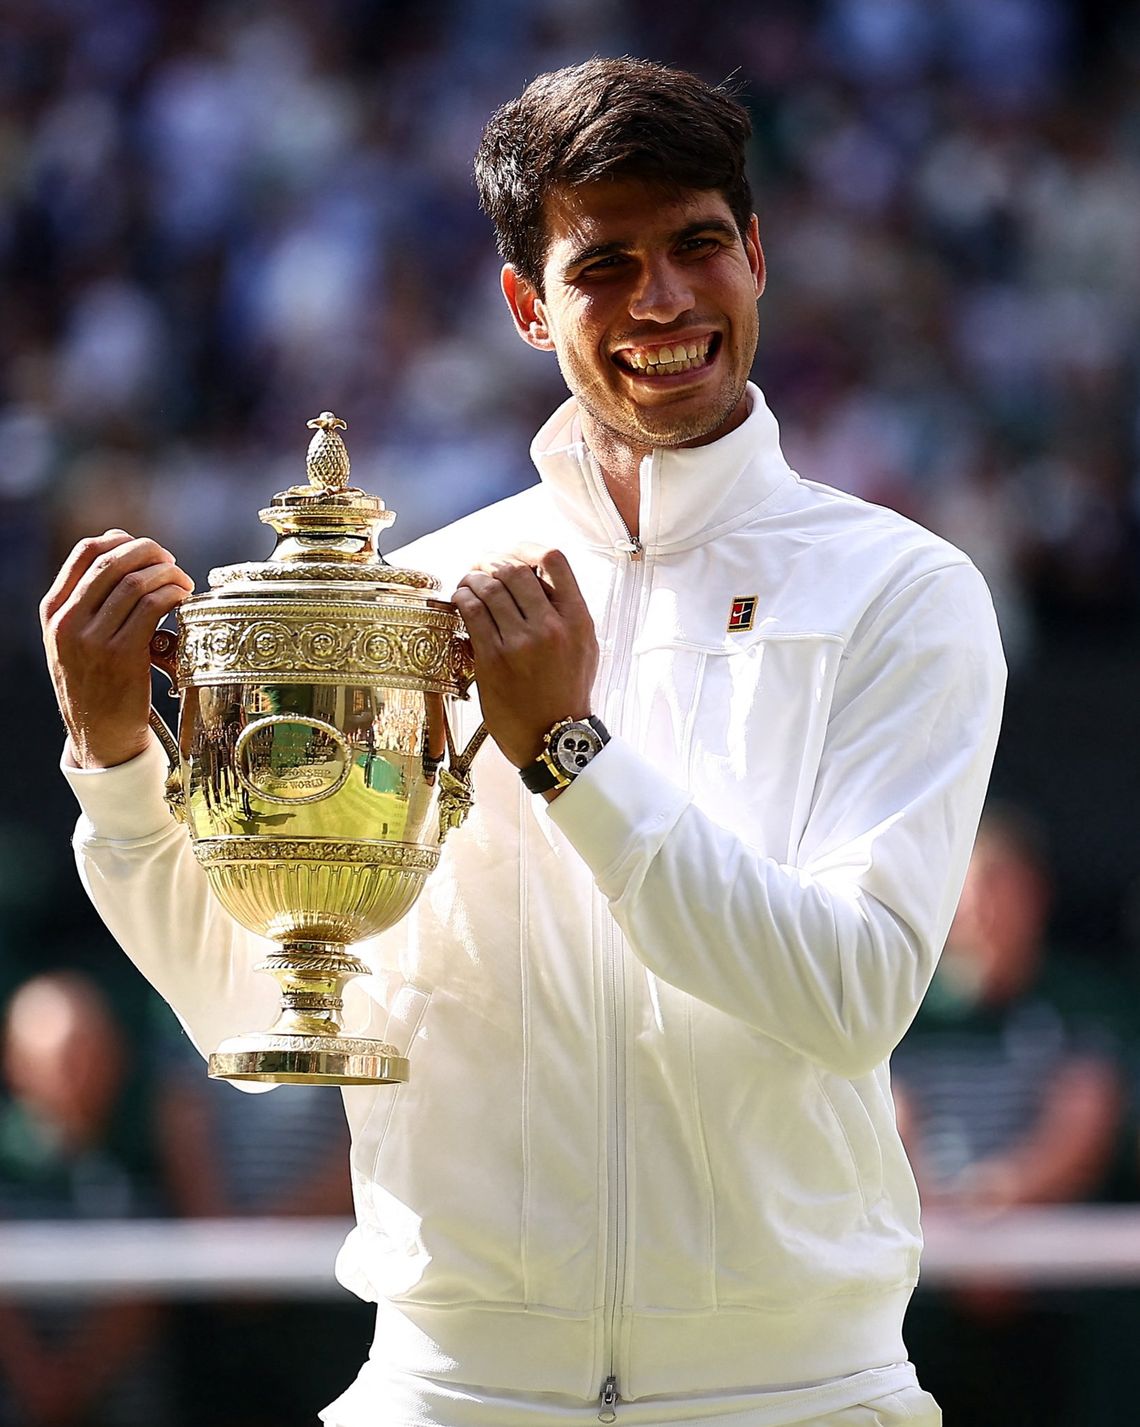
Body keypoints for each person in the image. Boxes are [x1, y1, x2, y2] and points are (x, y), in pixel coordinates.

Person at [40, 58, 1005, 1427]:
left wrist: (569, 757)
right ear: (522, 306)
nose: (664, 301)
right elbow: (267, 1008)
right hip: (446, 1391)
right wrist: (119, 763)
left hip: (799, 1396)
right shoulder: (406, 604)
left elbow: (852, 998)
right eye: (604, 264)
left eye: (698, 244)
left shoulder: (904, 592)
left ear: (759, 258)